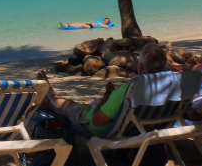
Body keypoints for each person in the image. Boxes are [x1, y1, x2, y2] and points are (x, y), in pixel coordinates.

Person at [39, 43, 168, 136]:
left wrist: (108, 94)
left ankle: (50, 92)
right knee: (81, 105)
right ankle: (48, 104)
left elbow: (97, 121)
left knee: (71, 106)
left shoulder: (127, 91)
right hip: (141, 130)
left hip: (102, 129)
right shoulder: (170, 90)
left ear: (140, 66)